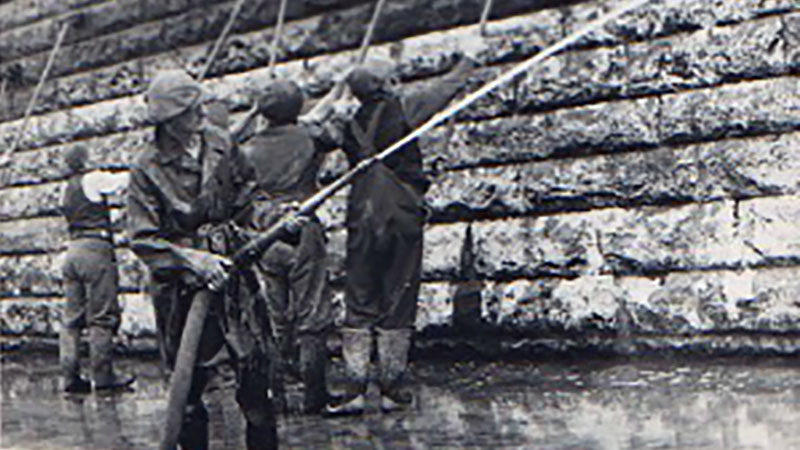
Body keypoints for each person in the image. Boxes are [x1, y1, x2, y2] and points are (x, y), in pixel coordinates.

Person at [127, 70, 299, 450]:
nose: (199, 114)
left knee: (256, 385)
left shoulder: (221, 143)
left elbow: (250, 200)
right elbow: (143, 240)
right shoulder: (147, 168)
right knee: (189, 393)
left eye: (198, 105)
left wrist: (278, 218)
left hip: (234, 278)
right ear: (168, 122)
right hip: (183, 292)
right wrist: (194, 261)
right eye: (189, 110)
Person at [326, 54, 478, 415]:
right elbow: (444, 89)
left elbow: (320, 131)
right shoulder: (403, 107)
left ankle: (354, 389)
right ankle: (393, 388)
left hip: (361, 216)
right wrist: (467, 62)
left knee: (360, 299)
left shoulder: (350, 125)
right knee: (399, 294)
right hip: (400, 216)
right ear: (386, 84)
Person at [235, 79, 339, 415]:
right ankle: (314, 397)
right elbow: (333, 137)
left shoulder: (248, 148)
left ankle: (276, 397)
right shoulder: (308, 137)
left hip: (265, 235)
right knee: (312, 316)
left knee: (276, 320)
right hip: (303, 229)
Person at [59, 144, 136, 394]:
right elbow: (125, 181)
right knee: (101, 316)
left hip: (72, 251)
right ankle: (104, 378)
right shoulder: (93, 178)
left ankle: (70, 378)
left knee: (72, 321)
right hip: (95, 249)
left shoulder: (64, 187)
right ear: (85, 160)